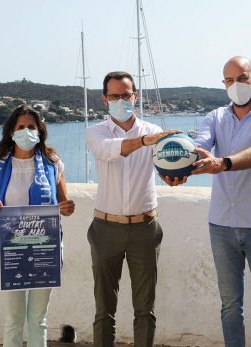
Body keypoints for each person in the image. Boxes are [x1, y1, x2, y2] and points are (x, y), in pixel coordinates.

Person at [174, 56, 251, 346]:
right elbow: (200, 147)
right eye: (229, 80)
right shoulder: (215, 117)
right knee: (229, 307)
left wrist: (223, 163)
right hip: (222, 226)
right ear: (223, 84)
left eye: (241, 78)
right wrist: (178, 166)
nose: (235, 85)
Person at [85, 71, 179, 347]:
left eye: (126, 95)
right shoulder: (96, 132)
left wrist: (177, 173)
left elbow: (165, 166)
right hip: (105, 229)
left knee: (145, 310)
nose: (121, 100)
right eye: (114, 96)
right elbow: (107, 151)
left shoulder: (153, 132)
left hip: (145, 229)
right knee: (104, 309)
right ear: (105, 99)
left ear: (135, 96)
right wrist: (142, 142)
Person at [0, 105, 75, 347]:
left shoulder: (54, 164)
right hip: (10, 251)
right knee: (13, 318)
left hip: (45, 250)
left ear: (39, 131)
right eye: (20, 127)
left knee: (38, 318)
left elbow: (65, 206)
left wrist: (67, 207)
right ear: (11, 131)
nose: (26, 131)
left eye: (31, 127)